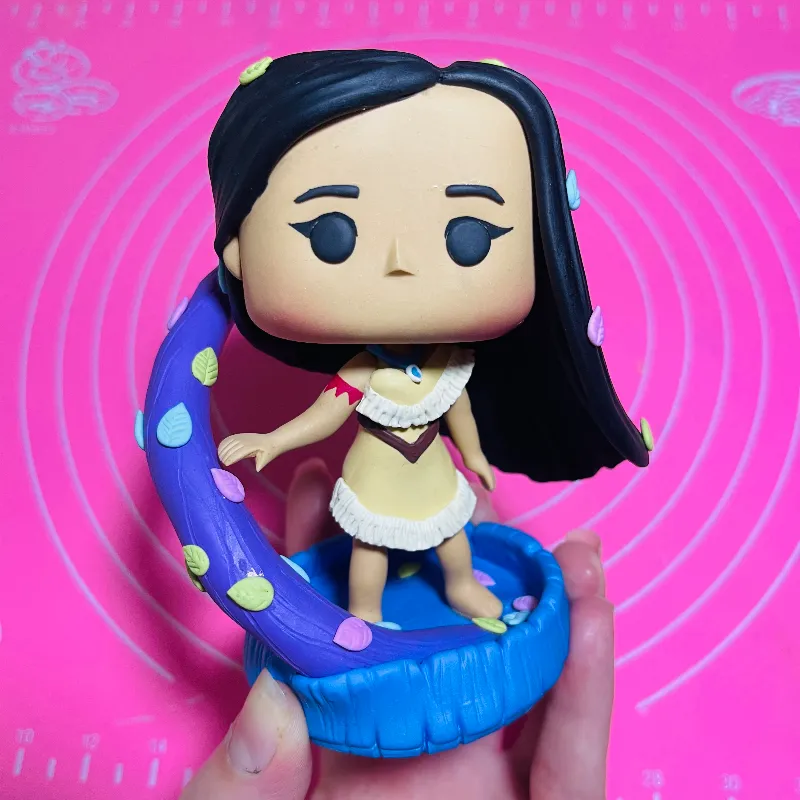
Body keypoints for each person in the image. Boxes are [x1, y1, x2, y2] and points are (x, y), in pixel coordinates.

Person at [181, 460, 613, 800]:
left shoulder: (438, 394)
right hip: (373, 520)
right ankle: (371, 609)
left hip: (439, 519)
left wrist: (476, 458)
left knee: (454, 546)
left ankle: (460, 586)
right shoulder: (362, 394)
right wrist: (273, 441)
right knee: (370, 559)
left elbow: (459, 421)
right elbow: (330, 411)